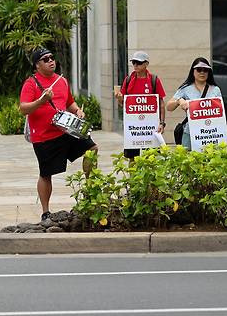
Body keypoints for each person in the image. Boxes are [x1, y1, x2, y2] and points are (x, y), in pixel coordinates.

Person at [19, 48, 98, 221]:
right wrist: (41, 101)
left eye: (52, 58)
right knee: (46, 173)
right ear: (37, 65)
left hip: (65, 129)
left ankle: (91, 190)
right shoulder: (31, 83)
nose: (50, 61)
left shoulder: (61, 81)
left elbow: (69, 102)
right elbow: (23, 108)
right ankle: (45, 211)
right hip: (43, 135)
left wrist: (77, 111)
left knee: (92, 148)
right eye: (45, 59)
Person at [115, 51, 166, 161]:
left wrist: (161, 123)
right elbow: (122, 104)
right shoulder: (128, 80)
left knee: (151, 157)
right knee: (132, 158)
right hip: (133, 127)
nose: (135, 65)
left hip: (150, 126)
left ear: (146, 64)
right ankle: (133, 178)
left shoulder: (154, 80)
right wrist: (119, 99)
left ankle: (150, 178)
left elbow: (161, 103)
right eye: (134, 62)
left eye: (138, 62)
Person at [166, 57, 222, 150]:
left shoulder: (215, 89)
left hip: (210, 132)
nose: (202, 72)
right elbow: (169, 107)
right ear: (193, 71)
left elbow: (220, 112)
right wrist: (179, 101)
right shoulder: (186, 88)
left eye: (205, 70)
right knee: (187, 160)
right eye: (199, 69)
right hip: (189, 132)